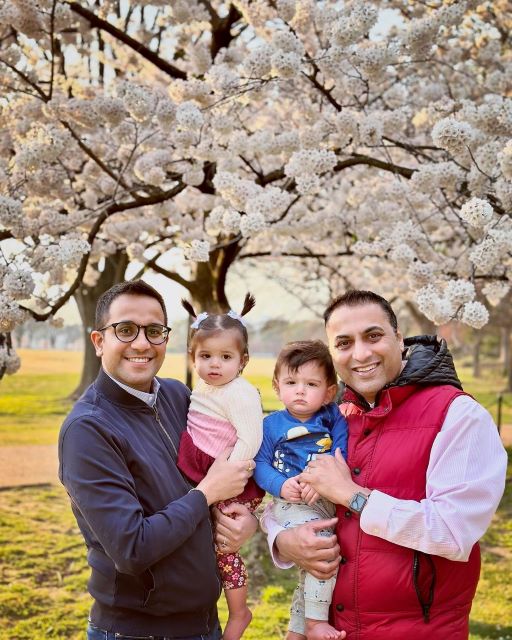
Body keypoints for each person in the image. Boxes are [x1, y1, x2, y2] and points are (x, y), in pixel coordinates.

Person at [267, 290, 508, 640]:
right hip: (334, 629)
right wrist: (282, 540)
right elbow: (286, 498)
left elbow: (453, 533)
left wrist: (353, 496)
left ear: (398, 337)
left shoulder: (458, 416)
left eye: (373, 336)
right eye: (344, 343)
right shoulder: (334, 419)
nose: (361, 353)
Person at [58, 280, 258, 640]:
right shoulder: (87, 429)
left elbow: (215, 469)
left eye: (154, 331)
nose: (141, 343)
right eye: (125, 329)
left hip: (203, 623)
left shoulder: (179, 396)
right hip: (138, 631)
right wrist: (207, 494)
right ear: (99, 341)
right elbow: (132, 548)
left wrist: (245, 520)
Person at [177, 294, 264, 640]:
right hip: (208, 472)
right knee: (205, 542)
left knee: (224, 548)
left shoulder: (239, 393)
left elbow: (250, 440)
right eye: (206, 356)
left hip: (233, 479)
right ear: (192, 357)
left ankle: (239, 612)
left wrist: (231, 479)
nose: (215, 365)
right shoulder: (205, 385)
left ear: (242, 361)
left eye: (225, 357)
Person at [254, 340, 348, 640]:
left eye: (311, 384)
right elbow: (260, 465)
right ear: (277, 386)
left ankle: (297, 632)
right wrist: (281, 485)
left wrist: (323, 483)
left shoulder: (333, 418)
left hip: (324, 500)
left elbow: (341, 454)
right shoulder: (271, 425)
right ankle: (316, 622)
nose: (300, 390)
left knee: (309, 571)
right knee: (321, 552)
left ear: (329, 391)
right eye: (291, 382)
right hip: (290, 503)